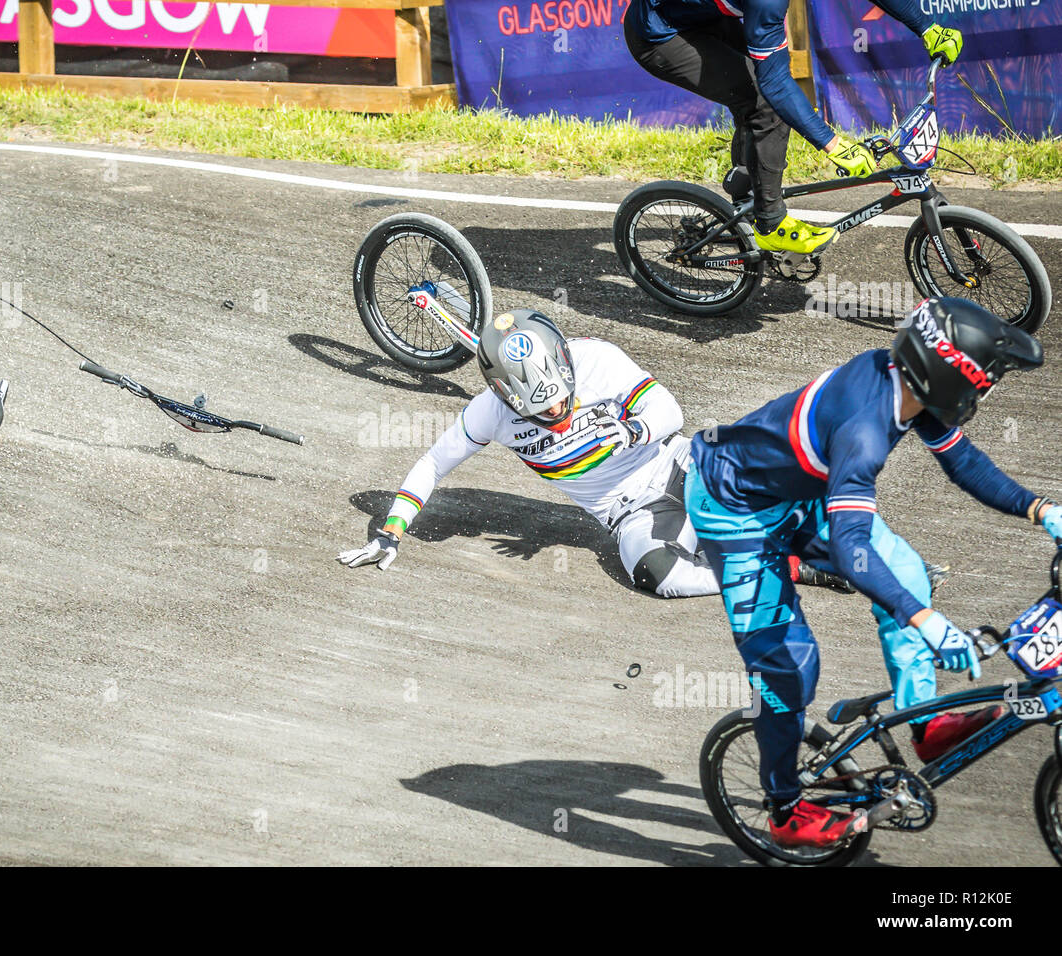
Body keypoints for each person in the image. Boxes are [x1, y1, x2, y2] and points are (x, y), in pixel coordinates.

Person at [684, 297, 1056, 849]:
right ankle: (784, 806)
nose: (988, 390)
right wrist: (926, 620)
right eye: (986, 380)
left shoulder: (903, 382)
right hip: (734, 513)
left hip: (797, 493)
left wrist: (1041, 509)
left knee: (904, 571)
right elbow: (855, 550)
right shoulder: (863, 431)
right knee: (788, 669)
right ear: (950, 376)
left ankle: (924, 725)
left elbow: (964, 464)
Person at [338, 308, 848, 597]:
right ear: (504, 395)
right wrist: (390, 532)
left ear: (565, 362)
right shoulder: (487, 412)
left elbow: (669, 411)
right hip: (628, 512)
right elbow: (431, 463)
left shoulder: (597, 357)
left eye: (564, 397)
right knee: (655, 576)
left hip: (674, 462)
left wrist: (630, 432)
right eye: (542, 412)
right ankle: (788, 567)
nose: (557, 411)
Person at [623, 0, 964, 254]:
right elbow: (776, 85)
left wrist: (926, 26)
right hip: (660, 36)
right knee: (764, 103)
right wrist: (833, 144)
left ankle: (746, 185)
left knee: (754, 93)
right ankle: (770, 223)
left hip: (701, 14)